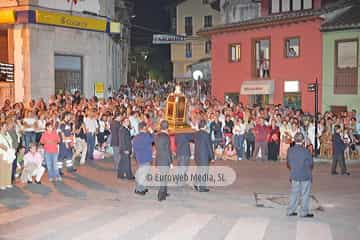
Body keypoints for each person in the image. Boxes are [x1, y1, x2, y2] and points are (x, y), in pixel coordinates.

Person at [286, 132, 314, 218]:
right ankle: (303, 212)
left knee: (294, 193)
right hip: (305, 175)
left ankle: (290, 210)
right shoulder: (306, 151)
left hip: (294, 174)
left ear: (294, 140)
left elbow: (288, 163)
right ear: (302, 141)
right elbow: (311, 164)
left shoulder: (290, 150)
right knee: (305, 194)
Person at [133, 121, 153, 195]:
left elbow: (134, 148)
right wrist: (151, 131)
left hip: (139, 158)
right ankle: (139, 189)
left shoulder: (136, 137)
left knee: (142, 173)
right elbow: (154, 139)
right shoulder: (146, 136)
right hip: (146, 158)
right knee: (143, 175)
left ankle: (143, 188)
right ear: (144, 128)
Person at [194, 119, 213, 192]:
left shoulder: (196, 133)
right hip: (204, 155)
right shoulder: (206, 134)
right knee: (204, 172)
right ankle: (202, 188)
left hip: (197, 155)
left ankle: (196, 183)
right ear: (205, 126)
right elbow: (209, 146)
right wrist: (212, 157)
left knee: (199, 170)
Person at [154, 120, 172, 201]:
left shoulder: (157, 135)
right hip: (165, 160)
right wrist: (170, 161)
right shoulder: (166, 137)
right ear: (167, 127)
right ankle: (160, 195)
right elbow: (168, 150)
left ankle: (164, 192)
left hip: (159, 158)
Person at [0, 121, 16, 190]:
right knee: (3, 168)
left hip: (9, 153)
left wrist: (12, 149)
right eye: (5, 126)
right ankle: (2, 183)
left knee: (9, 167)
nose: (6, 127)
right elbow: (1, 144)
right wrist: (7, 149)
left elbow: (11, 142)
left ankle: (8, 182)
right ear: (1, 127)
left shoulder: (7, 134)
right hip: (3, 153)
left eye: (6, 126)